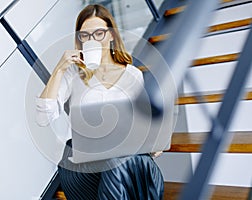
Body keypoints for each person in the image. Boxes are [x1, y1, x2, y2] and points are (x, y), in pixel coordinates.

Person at [36, 4, 164, 200]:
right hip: (80, 162)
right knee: (122, 165)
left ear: (111, 35)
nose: (92, 40)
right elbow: (43, 117)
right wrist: (59, 70)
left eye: (99, 33)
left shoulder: (133, 74)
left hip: (121, 158)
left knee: (134, 163)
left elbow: (140, 124)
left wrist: (152, 143)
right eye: (85, 35)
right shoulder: (73, 73)